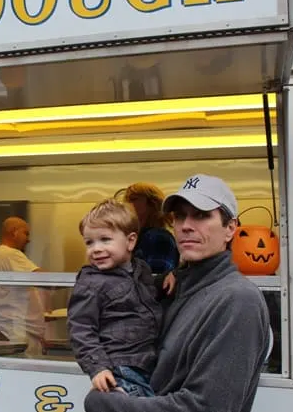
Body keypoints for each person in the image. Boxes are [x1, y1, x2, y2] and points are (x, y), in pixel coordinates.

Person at [85, 174, 270, 412]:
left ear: (230, 228)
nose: (186, 225)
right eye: (180, 216)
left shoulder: (238, 300)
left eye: (202, 215)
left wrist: (109, 403)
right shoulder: (173, 289)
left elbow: (206, 407)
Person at [68, 199, 165, 397]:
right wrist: (98, 368)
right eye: (89, 242)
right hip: (119, 368)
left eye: (105, 239)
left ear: (130, 241)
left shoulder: (142, 270)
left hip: (148, 363)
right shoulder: (91, 283)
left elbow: (149, 299)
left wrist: (170, 278)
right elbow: (81, 329)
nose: (96, 248)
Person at [0, 216, 47, 356]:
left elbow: (15, 296)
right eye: (26, 233)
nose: (28, 239)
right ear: (14, 232)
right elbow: (45, 280)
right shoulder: (10, 254)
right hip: (16, 333)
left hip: (15, 331)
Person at [125, 182, 180, 274]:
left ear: (152, 204)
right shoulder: (139, 237)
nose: (127, 204)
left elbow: (156, 281)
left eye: (133, 199)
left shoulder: (158, 237)